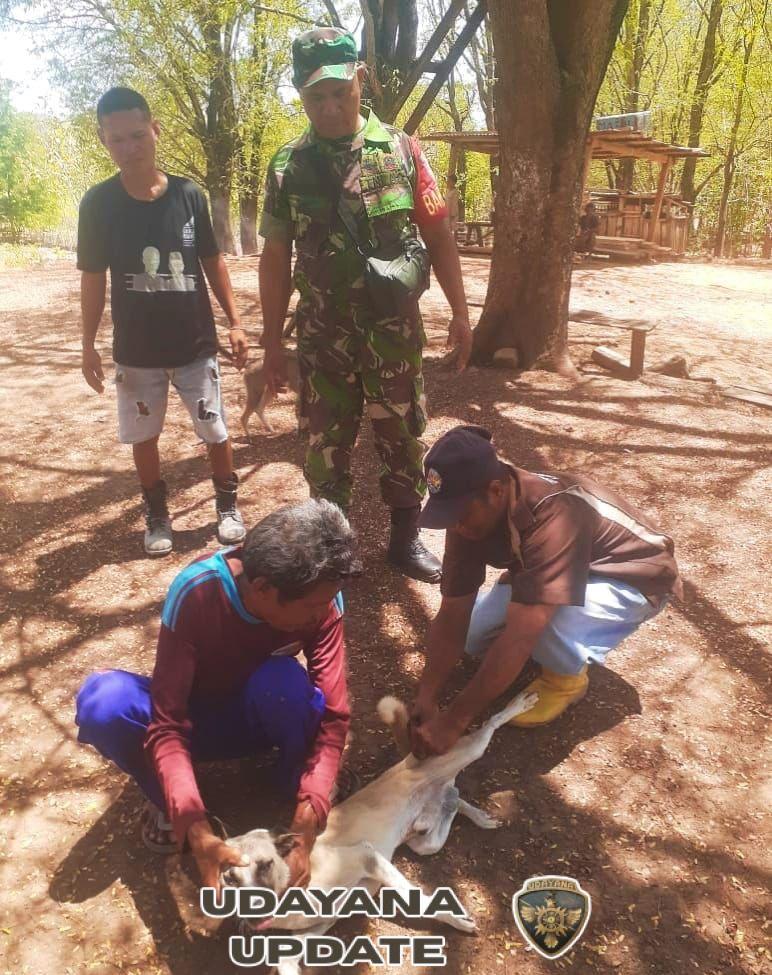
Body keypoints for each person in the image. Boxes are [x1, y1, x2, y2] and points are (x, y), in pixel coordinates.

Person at [259, 27, 472, 584]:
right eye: (314, 97)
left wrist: (461, 313)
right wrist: (270, 341)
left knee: (402, 437)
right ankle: (333, 554)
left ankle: (405, 542)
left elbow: (438, 234)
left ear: (361, 80)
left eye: (340, 92)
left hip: (393, 336)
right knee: (326, 447)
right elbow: (275, 256)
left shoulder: (402, 150)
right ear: (300, 95)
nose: (329, 107)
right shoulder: (286, 166)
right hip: (322, 339)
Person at [75, 499, 361, 889]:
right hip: (197, 718)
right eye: (312, 607)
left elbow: (333, 714)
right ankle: (166, 800)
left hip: (255, 715)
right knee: (103, 702)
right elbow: (169, 721)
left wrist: (309, 813)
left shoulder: (322, 597)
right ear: (262, 589)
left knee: (283, 682)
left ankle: (296, 781)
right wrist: (193, 825)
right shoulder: (198, 592)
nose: (322, 613)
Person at [409, 426, 682, 757]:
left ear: (495, 491)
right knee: (474, 636)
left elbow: (520, 635)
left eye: (461, 515)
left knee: (543, 625)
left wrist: (454, 720)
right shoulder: (468, 514)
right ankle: (536, 637)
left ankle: (564, 679)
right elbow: (453, 612)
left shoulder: (555, 515)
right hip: (569, 568)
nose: (456, 527)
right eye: (448, 516)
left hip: (634, 578)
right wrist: (427, 694)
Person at [78, 86, 249, 557]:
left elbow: (213, 262)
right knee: (143, 436)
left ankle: (227, 506)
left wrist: (235, 322)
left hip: (195, 345)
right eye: (117, 140)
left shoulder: (189, 195)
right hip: (137, 352)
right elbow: (92, 277)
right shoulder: (98, 205)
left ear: (155, 130)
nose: (129, 148)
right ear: (103, 141)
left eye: (138, 135)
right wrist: (87, 343)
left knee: (215, 431)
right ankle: (156, 514)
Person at [445, 173, 460, 241]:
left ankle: (455, 243)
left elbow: (454, 204)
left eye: (450, 181)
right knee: (447, 229)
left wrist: (452, 214)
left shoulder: (455, 192)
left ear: (453, 182)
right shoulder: (447, 191)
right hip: (446, 212)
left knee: (453, 228)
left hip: (452, 213)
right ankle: (447, 242)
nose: (448, 182)